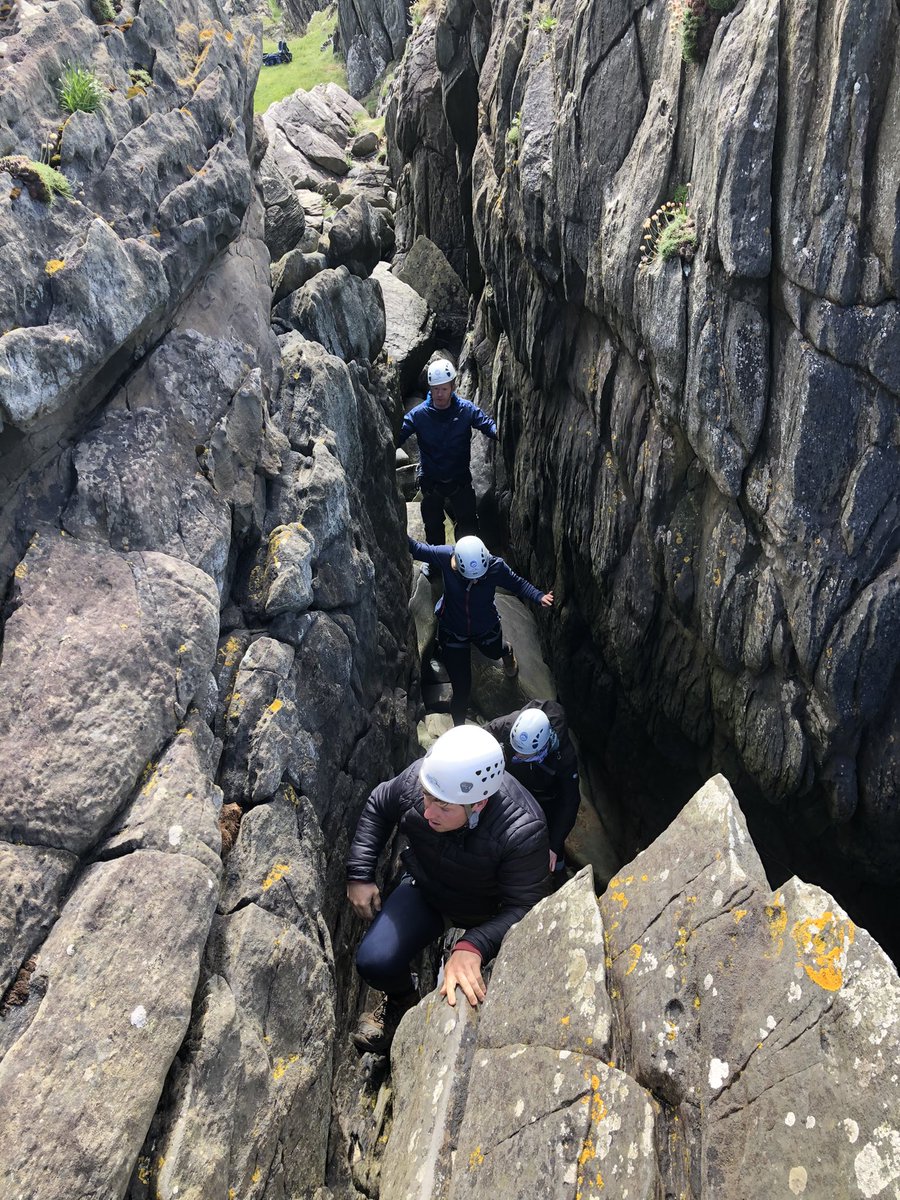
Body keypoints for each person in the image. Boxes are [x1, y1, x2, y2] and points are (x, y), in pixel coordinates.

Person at [347, 725, 549, 1053]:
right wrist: (359, 874)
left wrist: (474, 944)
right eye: (427, 797)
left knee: (460, 1001)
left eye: (443, 807)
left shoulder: (521, 830)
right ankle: (402, 1000)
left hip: (484, 911)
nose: (427, 813)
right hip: (426, 888)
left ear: (479, 803)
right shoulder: (421, 780)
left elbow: (527, 906)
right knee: (374, 961)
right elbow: (380, 804)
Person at [408, 533, 554, 725]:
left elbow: (517, 583)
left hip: (485, 626)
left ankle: (507, 651)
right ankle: (459, 727)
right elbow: (417, 549)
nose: (474, 581)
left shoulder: (495, 567)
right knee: (461, 690)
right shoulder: (445, 555)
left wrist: (538, 596)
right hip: (453, 631)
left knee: (495, 651)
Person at [398, 359, 496, 573]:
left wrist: (500, 432)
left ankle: (468, 563)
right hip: (431, 481)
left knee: (468, 525)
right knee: (433, 527)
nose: (439, 394)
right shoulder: (419, 415)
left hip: (459, 479)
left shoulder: (466, 411)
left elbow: (487, 424)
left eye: (444, 389)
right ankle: (436, 565)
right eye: (435, 390)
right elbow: (397, 436)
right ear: (430, 390)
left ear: (452, 387)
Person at [484, 701, 581, 885]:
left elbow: (570, 802)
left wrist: (554, 844)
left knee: (553, 844)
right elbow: (485, 732)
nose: (518, 756)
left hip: (547, 800)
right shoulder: (510, 724)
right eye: (516, 751)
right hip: (514, 786)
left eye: (525, 756)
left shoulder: (564, 757)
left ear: (543, 747)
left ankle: (559, 873)